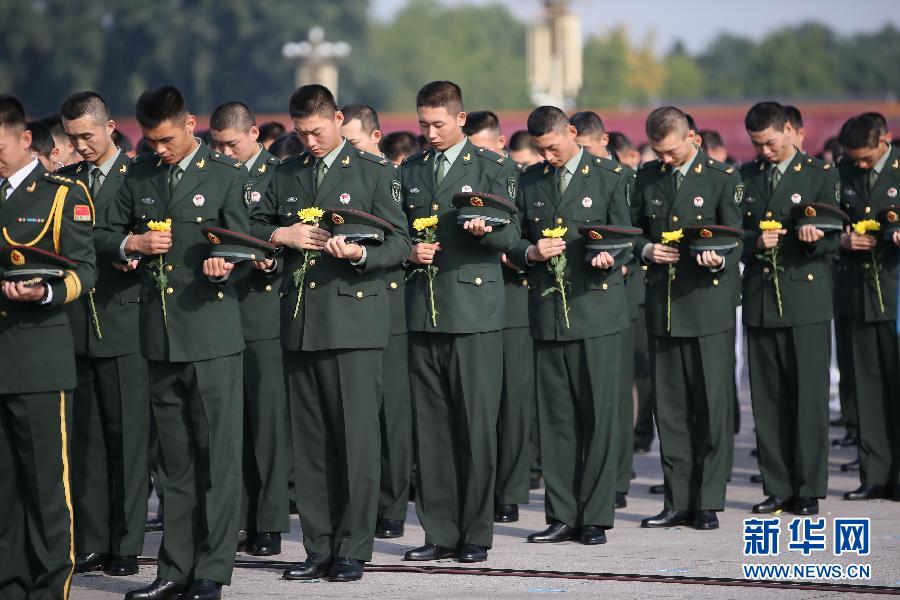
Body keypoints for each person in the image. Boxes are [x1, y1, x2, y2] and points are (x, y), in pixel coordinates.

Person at [251, 84, 411, 583]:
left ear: (338, 119)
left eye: (316, 131)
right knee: (313, 441)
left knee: (356, 440)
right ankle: (318, 545)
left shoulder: (372, 171)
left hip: (355, 320)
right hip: (299, 321)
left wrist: (362, 255)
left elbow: (400, 241)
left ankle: (353, 547)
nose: (310, 141)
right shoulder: (287, 171)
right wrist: (280, 235)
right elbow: (253, 223)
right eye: (301, 133)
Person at [97, 85, 250, 600]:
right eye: (150, 141)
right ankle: (173, 569)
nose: (158, 149)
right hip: (158, 335)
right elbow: (98, 233)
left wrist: (225, 263)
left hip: (210, 332)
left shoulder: (226, 176)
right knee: (174, 463)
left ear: (190, 123)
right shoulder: (138, 175)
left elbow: (247, 243)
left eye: (165, 140)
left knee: (217, 459)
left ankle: (211, 571)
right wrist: (130, 243)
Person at [400, 81, 520, 564]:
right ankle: (438, 531)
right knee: (432, 428)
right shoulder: (410, 169)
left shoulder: (493, 166)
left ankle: (474, 534)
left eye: (438, 124)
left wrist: (487, 231)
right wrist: (410, 252)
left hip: (474, 312)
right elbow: (397, 228)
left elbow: (516, 234)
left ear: (461, 119)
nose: (429, 133)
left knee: (474, 426)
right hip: (424, 309)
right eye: (423, 124)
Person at [512, 106, 632, 545]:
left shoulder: (609, 175)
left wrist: (611, 256)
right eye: (541, 150)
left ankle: (596, 515)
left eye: (554, 147)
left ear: (573, 133)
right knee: (557, 418)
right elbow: (516, 237)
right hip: (548, 311)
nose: (549, 157)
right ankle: (561, 513)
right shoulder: (530, 180)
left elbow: (625, 237)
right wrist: (531, 252)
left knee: (597, 415)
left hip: (596, 309)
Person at [0, 94, 97, 600]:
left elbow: (84, 270)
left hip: (38, 358)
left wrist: (46, 291)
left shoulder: (61, 193)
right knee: (4, 488)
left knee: (45, 483)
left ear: (23, 141)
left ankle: (49, 584)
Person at [631, 106, 743, 531]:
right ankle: (677, 499)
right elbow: (633, 228)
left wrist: (717, 258)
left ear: (692, 137)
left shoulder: (722, 178)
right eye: (659, 152)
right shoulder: (648, 176)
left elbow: (737, 237)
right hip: (665, 305)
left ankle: (708, 499)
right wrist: (646, 250)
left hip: (708, 305)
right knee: (671, 409)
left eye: (672, 151)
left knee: (710, 405)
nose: (666, 160)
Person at [55, 91, 151, 578]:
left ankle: (128, 541)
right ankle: (92, 537)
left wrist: (125, 243)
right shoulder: (64, 182)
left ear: (110, 126)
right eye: (72, 138)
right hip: (76, 325)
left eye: (87, 135)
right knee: (85, 441)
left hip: (124, 318)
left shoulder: (139, 176)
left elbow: (153, 233)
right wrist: (118, 240)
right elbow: (63, 239)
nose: (81, 146)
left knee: (128, 437)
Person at [740, 101, 841, 516]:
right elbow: (731, 231)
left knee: (808, 398)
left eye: (770, 142)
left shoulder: (819, 175)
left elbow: (837, 238)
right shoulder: (745, 178)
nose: (764, 151)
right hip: (762, 297)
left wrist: (814, 238)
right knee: (768, 400)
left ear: (788, 130)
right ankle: (777, 486)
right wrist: (753, 243)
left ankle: (808, 487)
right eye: (757, 145)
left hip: (805, 299)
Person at [209, 101, 289, 557]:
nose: (225, 151)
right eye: (217, 144)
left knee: (266, 422)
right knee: (227, 423)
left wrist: (271, 251)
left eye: (232, 144)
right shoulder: (213, 174)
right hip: (219, 305)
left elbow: (291, 233)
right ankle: (234, 517)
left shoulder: (279, 174)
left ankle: (270, 520)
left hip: (263, 307)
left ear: (254, 134)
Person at [342, 102, 414, 540]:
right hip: (355, 302)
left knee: (393, 413)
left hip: (393, 299)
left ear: (374, 136)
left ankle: (392, 505)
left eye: (352, 141)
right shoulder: (343, 179)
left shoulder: (390, 176)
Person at [463, 109, 533, 525]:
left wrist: (515, 253)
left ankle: (510, 489)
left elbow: (531, 230)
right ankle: (483, 490)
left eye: (485, 148)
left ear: (500, 143)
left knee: (514, 400)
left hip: (514, 295)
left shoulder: (517, 176)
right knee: (482, 401)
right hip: (476, 298)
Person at [569, 110, 641, 509]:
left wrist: (626, 257)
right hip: (585, 298)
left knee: (613, 392)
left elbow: (634, 230)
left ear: (603, 141)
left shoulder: (617, 177)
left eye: (587, 149)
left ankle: (615, 479)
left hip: (620, 292)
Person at [836, 114, 900, 502]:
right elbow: (825, 222)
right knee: (867, 388)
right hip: (859, 291)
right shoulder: (840, 172)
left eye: (866, 158)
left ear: (886, 139)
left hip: (896, 291)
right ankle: (874, 474)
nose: (860, 166)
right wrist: (842, 242)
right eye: (854, 159)